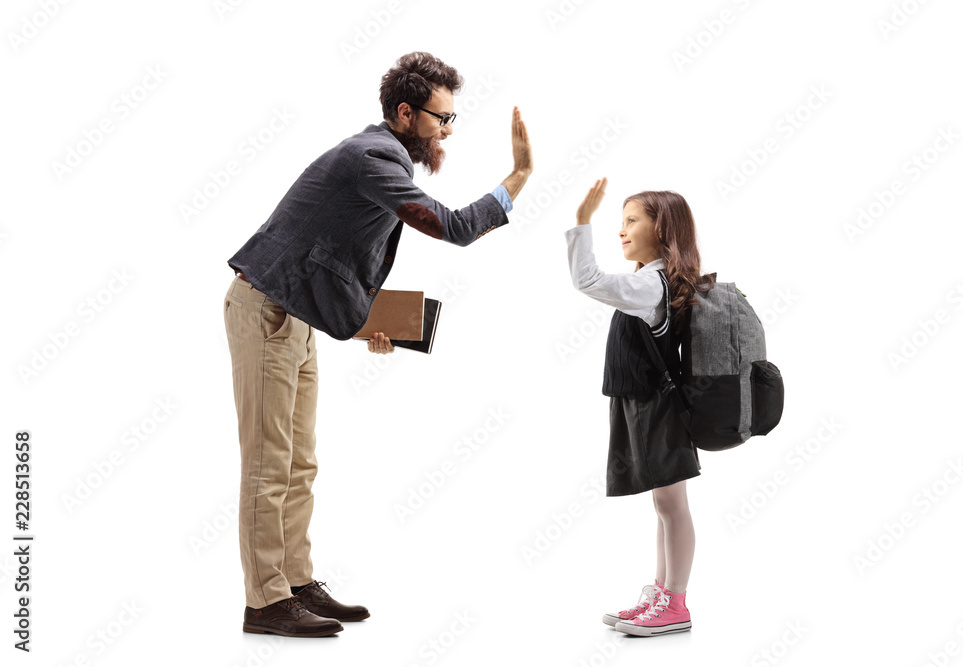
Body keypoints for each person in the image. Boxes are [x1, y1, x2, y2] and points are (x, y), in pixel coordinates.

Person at [223, 51, 533, 637]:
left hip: (294, 316)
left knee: (299, 463)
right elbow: (454, 227)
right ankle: (264, 603)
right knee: (268, 464)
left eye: (451, 118)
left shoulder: (382, 159)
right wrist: (517, 178)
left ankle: (292, 581)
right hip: (266, 312)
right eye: (441, 118)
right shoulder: (373, 158)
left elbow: (327, 255)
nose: (447, 130)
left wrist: (365, 319)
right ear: (404, 112)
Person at [566, 177, 714, 637]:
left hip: (657, 406)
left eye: (632, 220)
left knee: (671, 504)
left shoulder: (652, 284)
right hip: (644, 403)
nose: (622, 230)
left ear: (662, 228)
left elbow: (586, 279)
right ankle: (662, 593)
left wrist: (581, 223)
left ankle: (676, 604)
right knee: (664, 505)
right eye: (620, 221)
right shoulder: (649, 281)